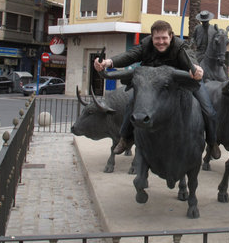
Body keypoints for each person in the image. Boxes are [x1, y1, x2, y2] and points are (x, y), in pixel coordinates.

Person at [93, 19, 222, 159]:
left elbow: (189, 58)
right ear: (151, 37)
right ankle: (125, 138)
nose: (161, 42)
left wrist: (196, 69)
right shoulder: (146, 45)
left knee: (209, 111)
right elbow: (130, 56)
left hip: (181, 79)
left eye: (164, 38)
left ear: (171, 36)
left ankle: (212, 142)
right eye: (157, 39)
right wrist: (108, 62)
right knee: (132, 103)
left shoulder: (179, 46)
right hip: (153, 82)